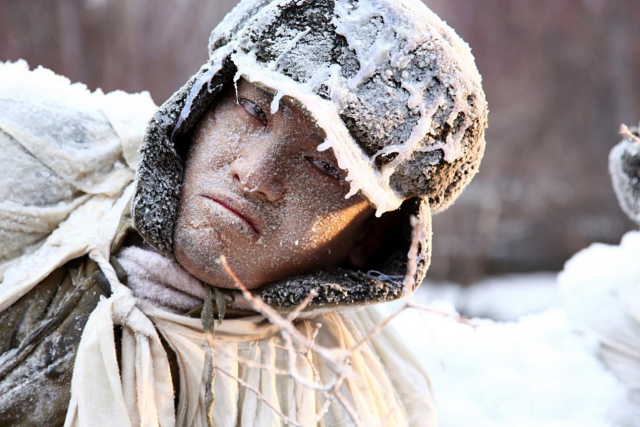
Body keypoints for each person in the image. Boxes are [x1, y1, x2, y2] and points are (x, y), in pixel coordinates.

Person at [0, 0, 487, 425]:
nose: (254, 174)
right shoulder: (31, 170)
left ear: (373, 239)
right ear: (199, 106)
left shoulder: (343, 404)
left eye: (323, 166)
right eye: (254, 112)